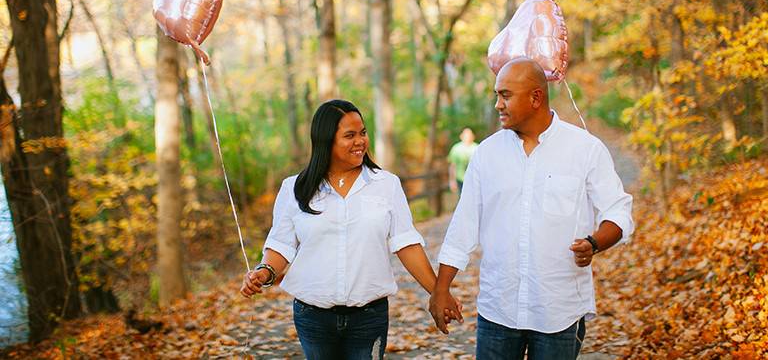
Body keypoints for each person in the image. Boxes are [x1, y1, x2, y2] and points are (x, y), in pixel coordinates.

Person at [428, 58, 634, 359]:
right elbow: (464, 226)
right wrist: (441, 289)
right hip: (498, 310)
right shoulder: (486, 154)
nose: (498, 104)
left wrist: (594, 243)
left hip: (559, 310)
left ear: (536, 97)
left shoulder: (585, 149)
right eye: (497, 95)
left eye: (506, 95)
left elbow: (618, 212)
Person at [240, 99, 443, 360]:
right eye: (350, 135)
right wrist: (264, 272)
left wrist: (439, 293)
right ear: (326, 141)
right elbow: (281, 247)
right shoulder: (294, 189)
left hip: (369, 317)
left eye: (363, 133)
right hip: (312, 317)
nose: (360, 141)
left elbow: (406, 244)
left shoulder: (386, 185)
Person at [447, 127, 478, 194]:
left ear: (473, 136)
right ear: (461, 136)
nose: (467, 137)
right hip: (460, 179)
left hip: (474, 180)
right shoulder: (456, 148)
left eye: (469, 135)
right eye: (465, 135)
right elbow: (452, 165)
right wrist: (452, 180)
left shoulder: (477, 148)